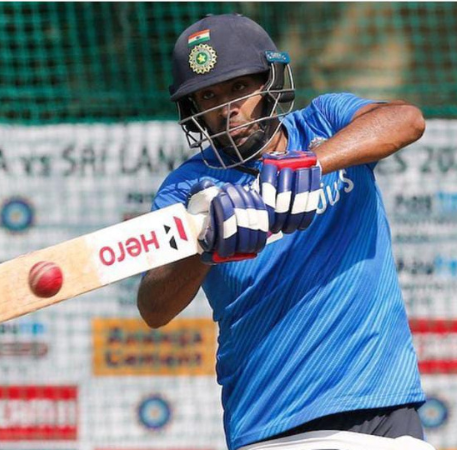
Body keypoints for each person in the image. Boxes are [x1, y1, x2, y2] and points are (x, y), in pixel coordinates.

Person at [137, 13, 429, 450]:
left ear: (269, 82)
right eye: (208, 96)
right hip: (274, 424)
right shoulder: (185, 188)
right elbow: (153, 307)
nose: (226, 108)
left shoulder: (324, 123)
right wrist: (203, 246)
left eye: (239, 88)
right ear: (192, 109)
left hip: (384, 410)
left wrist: (312, 163)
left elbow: (406, 120)